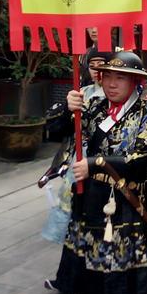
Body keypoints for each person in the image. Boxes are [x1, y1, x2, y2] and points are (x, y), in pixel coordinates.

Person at [52, 51, 147, 294]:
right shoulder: (94, 108)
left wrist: (95, 163)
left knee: (136, 290)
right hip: (95, 204)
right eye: (108, 77)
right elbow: (57, 131)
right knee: (104, 287)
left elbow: (140, 161)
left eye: (121, 78)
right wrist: (68, 108)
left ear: (136, 82)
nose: (112, 84)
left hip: (131, 204)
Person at [41, 49, 111, 251]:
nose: (97, 70)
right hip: (80, 158)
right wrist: (68, 109)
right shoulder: (82, 92)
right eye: (93, 65)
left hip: (107, 162)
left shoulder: (120, 92)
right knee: (74, 211)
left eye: (102, 65)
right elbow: (57, 129)